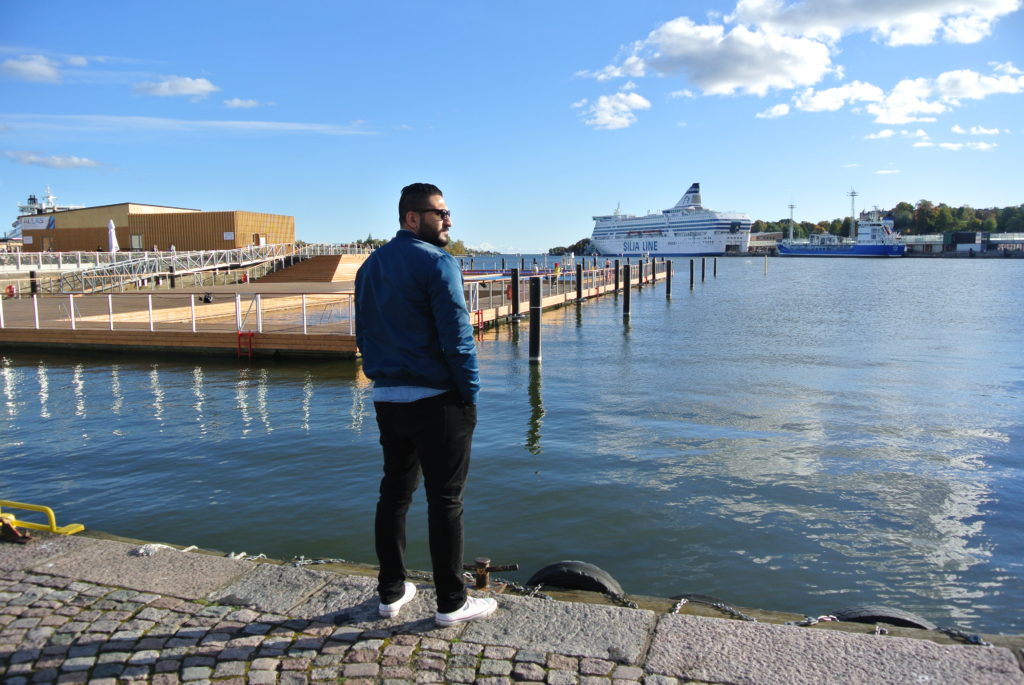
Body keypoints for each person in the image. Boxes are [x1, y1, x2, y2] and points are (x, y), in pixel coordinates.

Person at [354, 182, 497, 627]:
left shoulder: (370, 266)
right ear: (412, 218)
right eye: (440, 213)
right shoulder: (438, 263)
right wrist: (470, 393)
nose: (448, 220)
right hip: (438, 402)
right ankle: (452, 602)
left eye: (448, 212)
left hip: (387, 399)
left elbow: (363, 334)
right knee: (445, 500)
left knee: (393, 494)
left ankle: (390, 593)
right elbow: (458, 339)